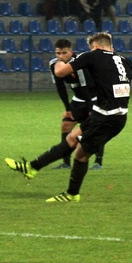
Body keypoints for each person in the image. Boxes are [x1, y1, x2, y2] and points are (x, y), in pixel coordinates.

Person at [5, 32, 132, 203]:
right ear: (110, 46)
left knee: (80, 155)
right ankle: (32, 168)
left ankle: (70, 193)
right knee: (71, 138)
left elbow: (61, 73)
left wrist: (57, 61)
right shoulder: (123, 60)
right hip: (110, 115)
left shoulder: (92, 56)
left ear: (95, 46)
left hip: (107, 118)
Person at [48, 39, 105, 170]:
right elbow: (60, 87)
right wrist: (67, 109)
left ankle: (98, 162)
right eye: (58, 53)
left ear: (71, 52)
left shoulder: (79, 63)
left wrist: (91, 109)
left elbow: (85, 86)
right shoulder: (54, 65)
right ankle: (66, 162)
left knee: (95, 129)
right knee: (66, 124)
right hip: (78, 99)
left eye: (64, 53)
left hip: (94, 98)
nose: (61, 56)